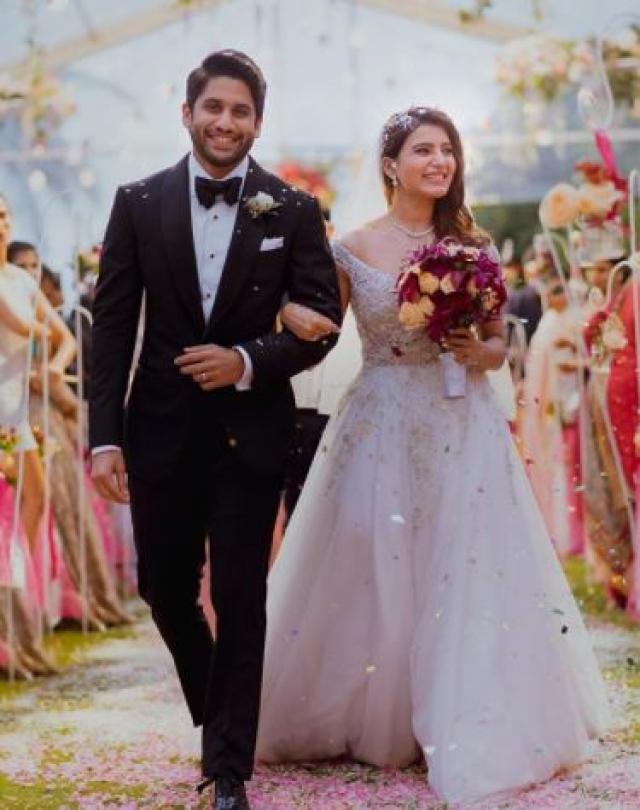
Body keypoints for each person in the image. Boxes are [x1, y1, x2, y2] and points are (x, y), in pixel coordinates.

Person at [256, 107, 609, 806]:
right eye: (423, 150)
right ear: (391, 165)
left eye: (446, 150)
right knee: (373, 557)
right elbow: (321, 335)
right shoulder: (351, 247)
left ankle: (466, 708)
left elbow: (496, 346)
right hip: (379, 415)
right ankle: (378, 711)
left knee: (464, 557)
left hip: (460, 421)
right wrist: (284, 316)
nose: (439, 161)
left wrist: (477, 350)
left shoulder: (473, 245)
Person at [89, 50, 341, 810]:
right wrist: (105, 438)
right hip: (159, 430)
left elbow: (322, 322)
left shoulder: (292, 209)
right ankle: (219, 709)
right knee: (163, 586)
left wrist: (246, 360)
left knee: (239, 592)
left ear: (258, 122)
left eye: (240, 111)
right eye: (214, 108)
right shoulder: (137, 202)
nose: (225, 122)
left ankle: (227, 770)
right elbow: (112, 327)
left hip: (249, 434)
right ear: (188, 112)